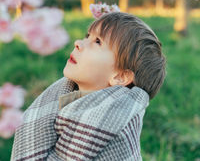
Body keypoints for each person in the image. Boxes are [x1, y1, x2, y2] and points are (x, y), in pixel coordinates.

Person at [11, 12, 166, 161]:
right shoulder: (67, 99)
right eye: (87, 36)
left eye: (98, 42)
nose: (78, 43)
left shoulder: (104, 123)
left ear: (120, 76)